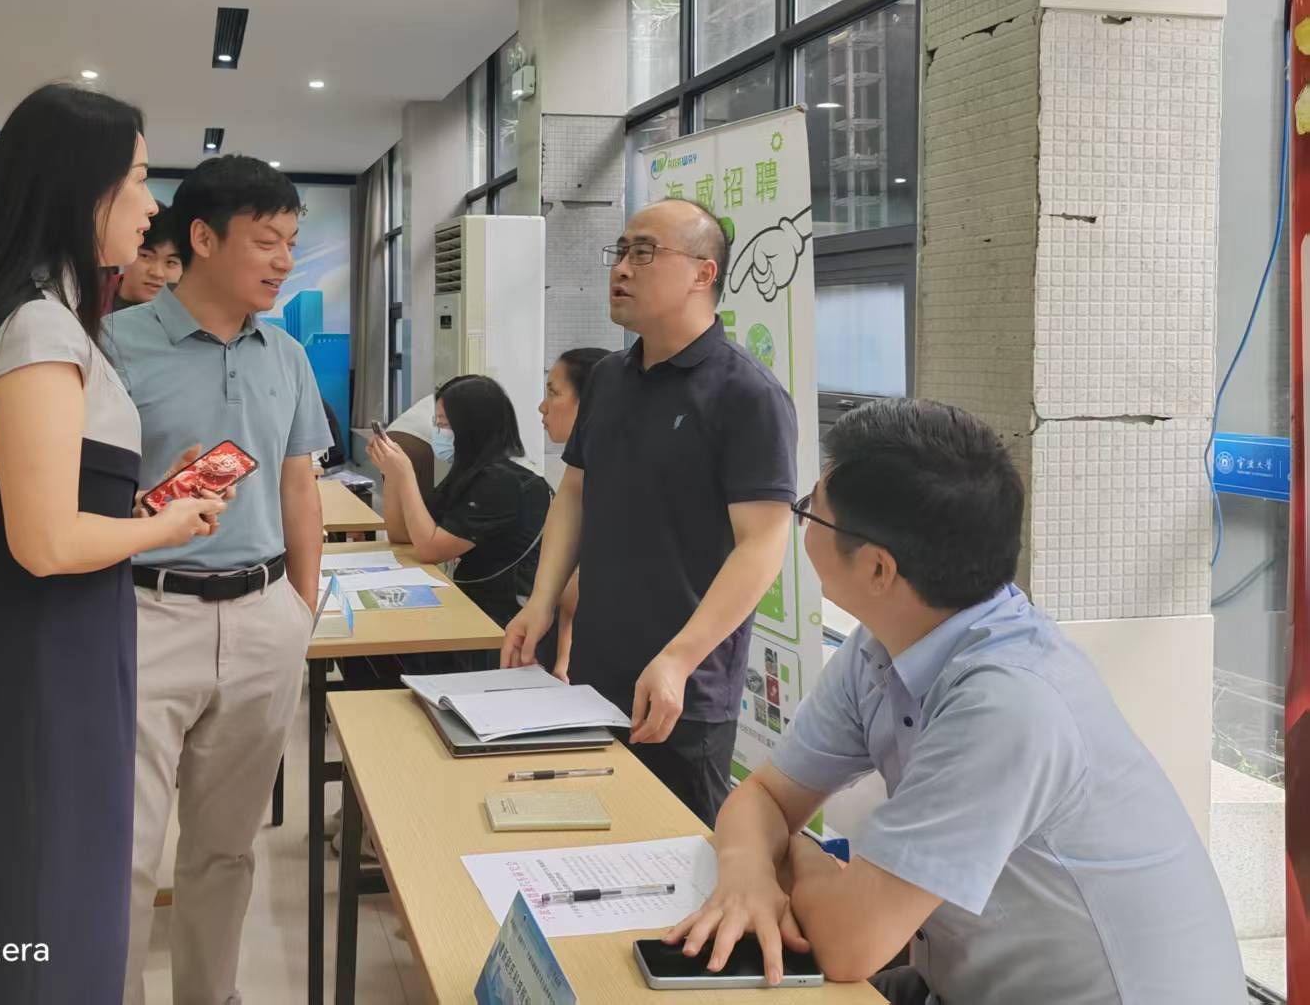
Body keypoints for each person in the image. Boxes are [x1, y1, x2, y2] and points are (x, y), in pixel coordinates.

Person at [665, 399, 1246, 1004]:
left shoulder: (1006, 705)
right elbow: (763, 796)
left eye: (811, 510)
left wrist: (795, 853)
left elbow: (848, 943)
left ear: (879, 570)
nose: (802, 524)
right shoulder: (886, 642)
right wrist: (748, 874)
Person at [0, 85, 225, 1005]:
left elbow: (57, 498)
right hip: (36, 655)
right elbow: (47, 539)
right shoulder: (36, 324)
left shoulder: (44, 315)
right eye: (137, 179)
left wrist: (145, 499)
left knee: (51, 887)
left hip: (58, 643)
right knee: (40, 898)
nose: (150, 205)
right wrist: (169, 522)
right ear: (80, 186)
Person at [108, 153, 329, 1005]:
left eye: (292, 243)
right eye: (266, 241)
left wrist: (298, 609)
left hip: (262, 614)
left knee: (227, 847)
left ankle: (211, 993)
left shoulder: (287, 355)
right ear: (201, 238)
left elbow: (298, 484)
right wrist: (150, 504)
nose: (284, 261)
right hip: (143, 612)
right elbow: (76, 496)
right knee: (125, 850)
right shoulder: (114, 347)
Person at [502, 198, 796, 826]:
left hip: (681, 690)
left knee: (676, 860)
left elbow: (763, 544)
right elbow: (574, 493)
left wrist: (680, 658)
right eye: (620, 250)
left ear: (703, 274)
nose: (622, 268)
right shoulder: (610, 378)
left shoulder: (747, 393)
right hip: (595, 671)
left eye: (644, 252)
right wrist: (541, 603)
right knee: (591, 839)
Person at [370, 374, 549, 634]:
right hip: (471, 603)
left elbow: (430, 549)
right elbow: (402, 534)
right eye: (436, 423)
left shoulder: (504, 481)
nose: (438, 432)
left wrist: (406, 473)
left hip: (501, 619)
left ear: (471, 427)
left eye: (444, 424)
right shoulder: (470, 472)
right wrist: (392, 475)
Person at [535, 346, 609, 679]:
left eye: (553, 393)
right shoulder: (576, 479)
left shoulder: (614, 484)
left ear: (590, 403)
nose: (543, 406)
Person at [112, 202, 182, 310]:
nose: (157, 273)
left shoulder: (194, 315)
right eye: (146, 256)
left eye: (171, 262)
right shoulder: (88, 297)